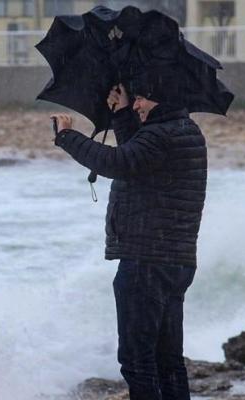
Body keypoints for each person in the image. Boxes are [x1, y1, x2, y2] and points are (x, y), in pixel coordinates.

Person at [50, 68, 206, 400]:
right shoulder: (184, 130)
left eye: (141, 98)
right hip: (174, 260)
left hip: (146, 261)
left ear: (159, 98)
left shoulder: (160, 136)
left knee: (137, 361)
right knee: (167, 360)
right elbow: (138, 158)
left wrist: (67, 136)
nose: (137, 105)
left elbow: (119, 163)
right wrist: (121, 113)